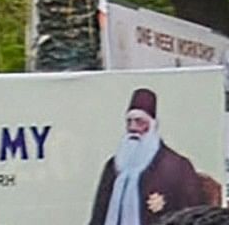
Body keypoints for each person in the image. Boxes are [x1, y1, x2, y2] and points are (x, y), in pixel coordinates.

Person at [88, 89, 222, 225]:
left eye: (140, 122)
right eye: (129, 122)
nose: (133, 128)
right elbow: (98, 216)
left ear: (153, 125)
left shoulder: (177, 167)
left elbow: (194, 218)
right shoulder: (113, 167)